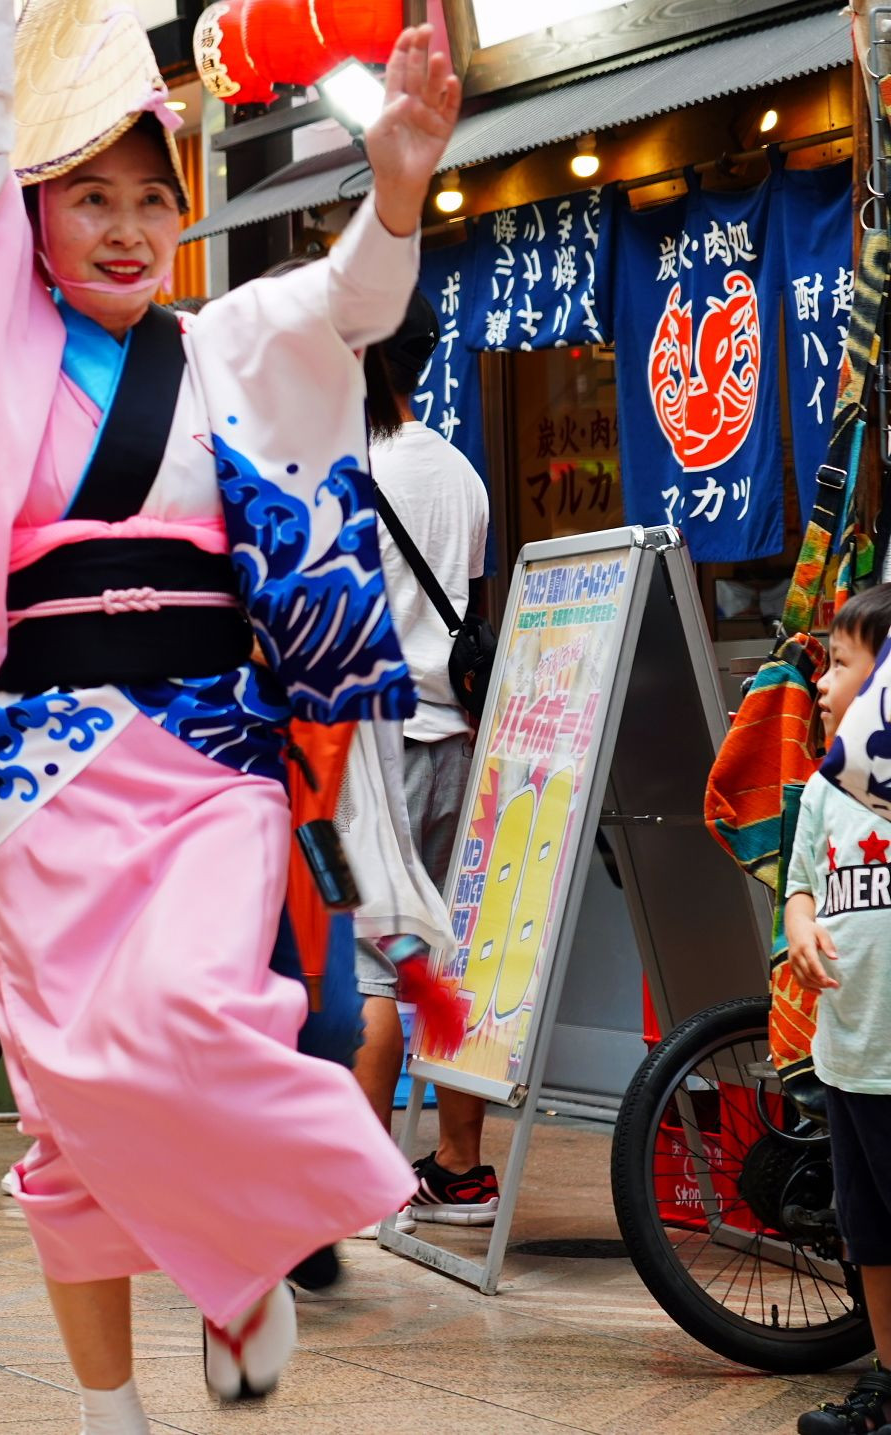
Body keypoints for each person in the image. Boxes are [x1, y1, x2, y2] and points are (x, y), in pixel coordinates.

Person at [0, 0, 459, 1426]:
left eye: (150, 197)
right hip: (37, 766)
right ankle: (109, 1406)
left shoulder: (229, 341)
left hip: (204, 755)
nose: (125, 228)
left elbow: (354, 301)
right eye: (90, 199)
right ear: (38, 219)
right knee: (69, 1105)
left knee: (195, 1011)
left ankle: (246, 1259)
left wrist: (396, 187)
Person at [349, 310, 498, 1222]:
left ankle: (366, 1184)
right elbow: (470, 614)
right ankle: (462, 1167)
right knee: (448, 953)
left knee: (373, 963)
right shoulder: (462, 473)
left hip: (377, 744)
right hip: (458, 739)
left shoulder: (349, 470)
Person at [787, 585, 891, 1435]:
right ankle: (887, 1382)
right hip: (847, 1054)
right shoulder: (823, 791)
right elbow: (799, 888)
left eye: (842, 662)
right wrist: (800, 926)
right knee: (871, 1234)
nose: (820, 681)